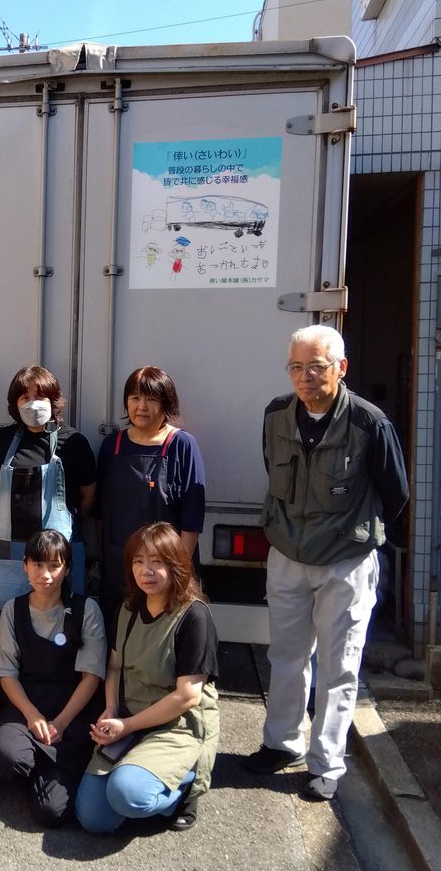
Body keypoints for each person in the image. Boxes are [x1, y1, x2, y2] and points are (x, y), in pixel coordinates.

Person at [245, 325, 408, 801]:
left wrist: (362, 537)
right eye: (296, 367)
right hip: (288, 555)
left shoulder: (369, 423)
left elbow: (395, 493)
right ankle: (281, 743)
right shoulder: (276, 415)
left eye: (316, 367)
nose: (305, 377)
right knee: (286, 656)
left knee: (339, 667)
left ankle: (327, 764)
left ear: (341, 368)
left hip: (345, 561)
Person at [75, 523, 219, 835]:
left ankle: (185, 788)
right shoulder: (128, 609)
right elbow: (115, 666)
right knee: (93, 818)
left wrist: (126, 726)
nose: (146, 571)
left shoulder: (194, 615)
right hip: (130, 717)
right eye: (138, 561)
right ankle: (140, 779)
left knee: (127, 794)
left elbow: (187, 696)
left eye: (156, 562)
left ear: (176, 565)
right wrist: (111, 709)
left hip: (176, 725)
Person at [0, 530, 107, 825]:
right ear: (25, 566)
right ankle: (31, 758)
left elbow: (91, 677)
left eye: (54, 565)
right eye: (37, 564)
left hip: (71, 712)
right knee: (5, 757)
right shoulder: (13, 609)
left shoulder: (86, 610)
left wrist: (61, 722)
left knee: (52, 813)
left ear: (68, 569)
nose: (45, 574)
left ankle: (44, 765)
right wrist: (31, 715)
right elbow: (6, 673)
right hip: (24, 706)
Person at [96, 366, 206, 626]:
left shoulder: (182, 445)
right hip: (119, 568)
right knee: (118, 636)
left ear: (166, 403)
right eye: (135, 398)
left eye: (151, 399)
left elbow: (192, 520)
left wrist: (177, 573)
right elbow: (100, 513)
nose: (141, 406)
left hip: (166, 570)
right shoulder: (112, 445)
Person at [0, 366, 96, 606]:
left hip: (58, 553)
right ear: (15, 404)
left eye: (40, 396)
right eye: (25, 397)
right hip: (9, 551)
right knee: (7, 614)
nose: (33, 404)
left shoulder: (73, 442)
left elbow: (88, 494)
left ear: (53, 400)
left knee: (64, 615)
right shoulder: (3, 439)